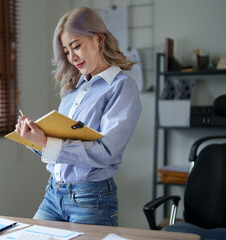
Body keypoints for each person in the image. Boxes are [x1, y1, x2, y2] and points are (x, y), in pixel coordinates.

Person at [15, 6, 142, 226]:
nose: (72, 57)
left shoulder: (121, 87)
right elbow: (61, 149)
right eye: (66, 51)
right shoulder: (74, 89)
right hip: (54, 194)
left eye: (76, 46)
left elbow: (106, 152)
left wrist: (46, 143)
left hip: (91, 198)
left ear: (99, 39)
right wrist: (34, 139)